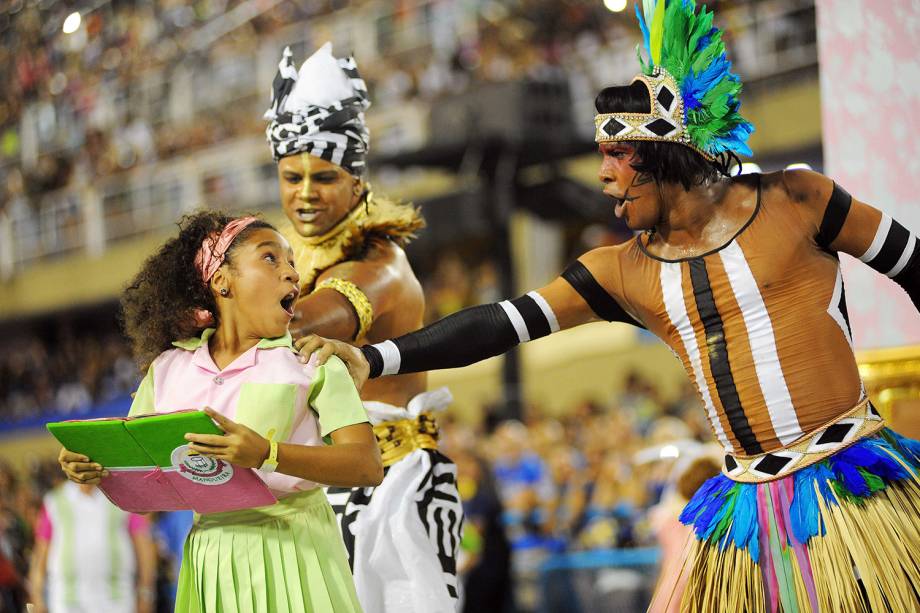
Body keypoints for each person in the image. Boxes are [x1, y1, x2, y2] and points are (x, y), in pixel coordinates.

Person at [300, 1, 920, 610]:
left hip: (857, 483)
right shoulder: (621, 270)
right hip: (746, 511)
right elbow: (498, 324)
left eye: (616, 156)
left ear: (664, 155)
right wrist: (372, 359)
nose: (602, 176)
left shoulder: (798, 199)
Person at [58, 211, 382, 612]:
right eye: (270, 259)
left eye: (292, 263)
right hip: (210, 558)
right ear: (221, 281)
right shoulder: (167, 370)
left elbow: (366, 465)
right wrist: (99, 469)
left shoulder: (313, 360)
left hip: (298, 549)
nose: (292, 274)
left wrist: (268, 454)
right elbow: (146, 496)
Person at [263, 42, 462, 611]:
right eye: (291, 176)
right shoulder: (302, 262)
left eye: (323, 177)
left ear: (356, 182)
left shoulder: (379, 266)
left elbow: (297, 323)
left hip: (391, 494)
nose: (304, 193)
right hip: (321, 489)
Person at [27, 481, 157, 613]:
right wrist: (37, 597)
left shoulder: (123, 498)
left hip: (116, 599)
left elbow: (144, 548)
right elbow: (40, 554)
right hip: (68, 600)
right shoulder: (55, 501)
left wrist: (145, 593)